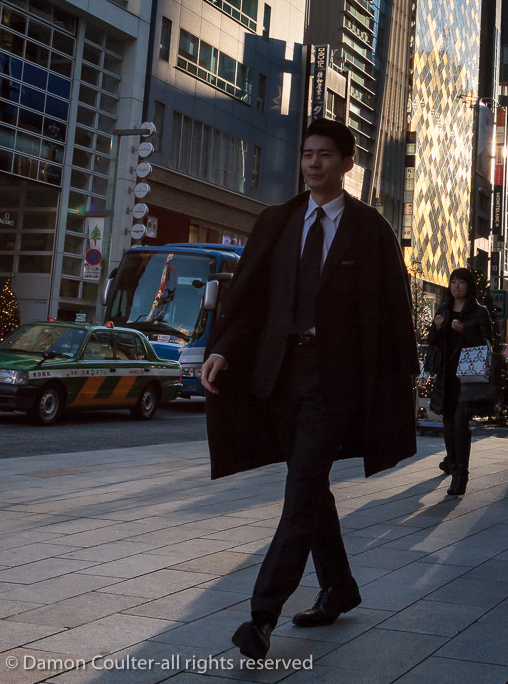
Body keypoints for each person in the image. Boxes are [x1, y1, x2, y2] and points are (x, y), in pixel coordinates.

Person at [200, 118, 418, 659]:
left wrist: (404, 382)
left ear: (348, 164)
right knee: (309, 485)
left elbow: (395, 310)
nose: (313, 163)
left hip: (336, 380)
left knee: (300, 491)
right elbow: (254, 300)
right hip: (278, 375)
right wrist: (225, 347)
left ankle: (261, 616)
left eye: (324, 155)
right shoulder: (278, 221)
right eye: (307, 154)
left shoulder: (370, 229)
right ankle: (340, 587)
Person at [425, 268, 493, 497]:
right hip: (446, 377)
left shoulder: (479, 312)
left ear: (469, 286)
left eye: (461, 282)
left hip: (467, 378)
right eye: (453, 281)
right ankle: (453, 465)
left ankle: (461, 475)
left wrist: (465, 332)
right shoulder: (443, 308)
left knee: (460, 425)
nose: (456, 286)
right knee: (447, 426)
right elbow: (431, 341)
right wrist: (436, 328)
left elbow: (487, 344)